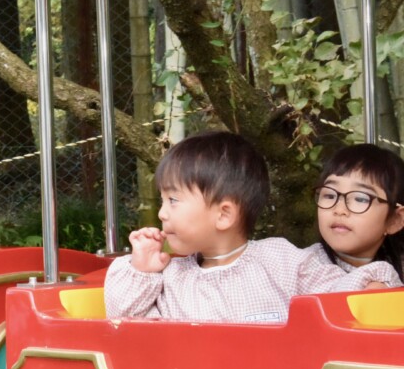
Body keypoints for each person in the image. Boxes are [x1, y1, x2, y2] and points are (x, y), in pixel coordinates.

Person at [105, 131, 400, 323]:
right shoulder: (170, 276)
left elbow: (337, 293)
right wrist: (140, 271)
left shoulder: (281, 261)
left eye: (173, 200)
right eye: (162, 200)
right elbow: (124, 322)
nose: (161, 213)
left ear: (224, 215)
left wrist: (372, 287)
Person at [305, 143, 404, 279]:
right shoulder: (298, 269)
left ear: (394, 221)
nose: (339, 210)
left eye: (360, 199)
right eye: (330, 195)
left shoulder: (395, 278)